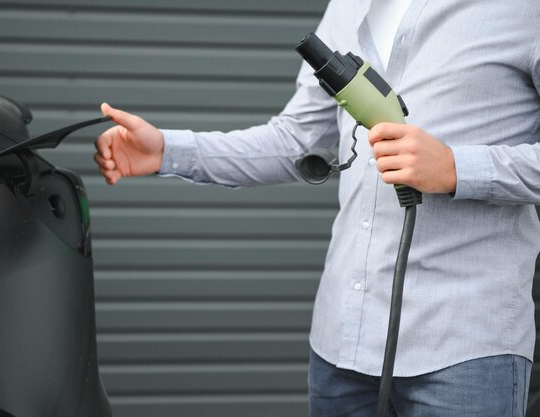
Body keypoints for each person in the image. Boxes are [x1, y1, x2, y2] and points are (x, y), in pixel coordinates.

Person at [93, 0, 540, 415]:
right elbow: (297, 140)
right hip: (340, 348)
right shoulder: (349, 6)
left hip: (463, 352)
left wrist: (458, 168)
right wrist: (168, 151)